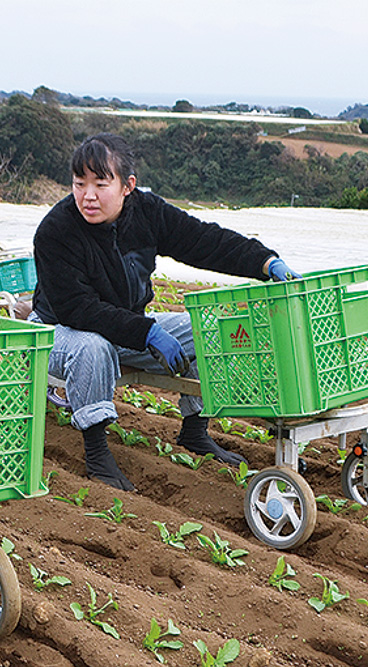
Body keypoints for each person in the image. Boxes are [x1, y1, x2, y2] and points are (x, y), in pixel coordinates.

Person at [31, 133, 298, 491]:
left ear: (128, 186)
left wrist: (265, 262)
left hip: (124, 324)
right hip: (57, 330)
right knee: (93, 347)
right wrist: (147, 333)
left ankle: (194, 430)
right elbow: (78, 310)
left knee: (207, 328)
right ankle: (96, 452)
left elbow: (203, 240)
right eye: (80, 184)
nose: (88, 196)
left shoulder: (147, 212)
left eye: (100, 184)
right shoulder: (56, 231)